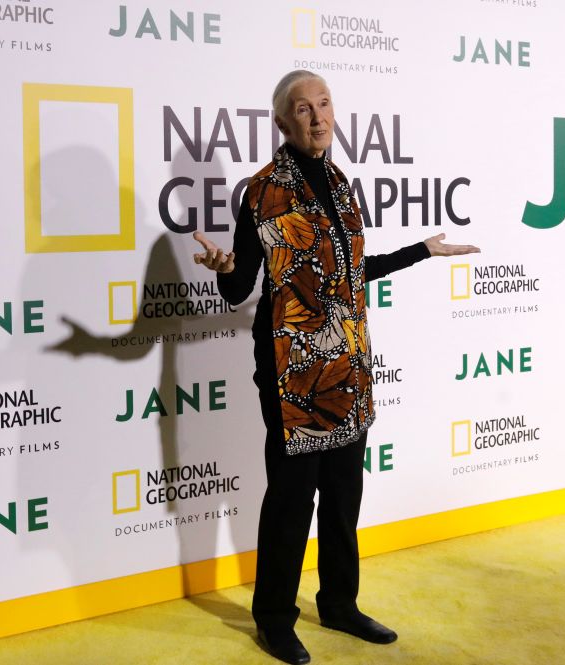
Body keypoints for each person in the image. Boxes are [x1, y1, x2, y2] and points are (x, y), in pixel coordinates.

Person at [192, 70, 479, 665]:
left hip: (347, 366)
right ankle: (274, 618)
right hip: (290, 373)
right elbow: (240, 287)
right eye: (303, 108)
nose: (318, 116)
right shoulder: (262, 191)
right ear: (282, 122)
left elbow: (349, 273)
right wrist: (223, 268)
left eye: (324, 104)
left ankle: (340, 605)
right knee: (292, 501)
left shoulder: (344, 185)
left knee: (345, 496)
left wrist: (420, 252)